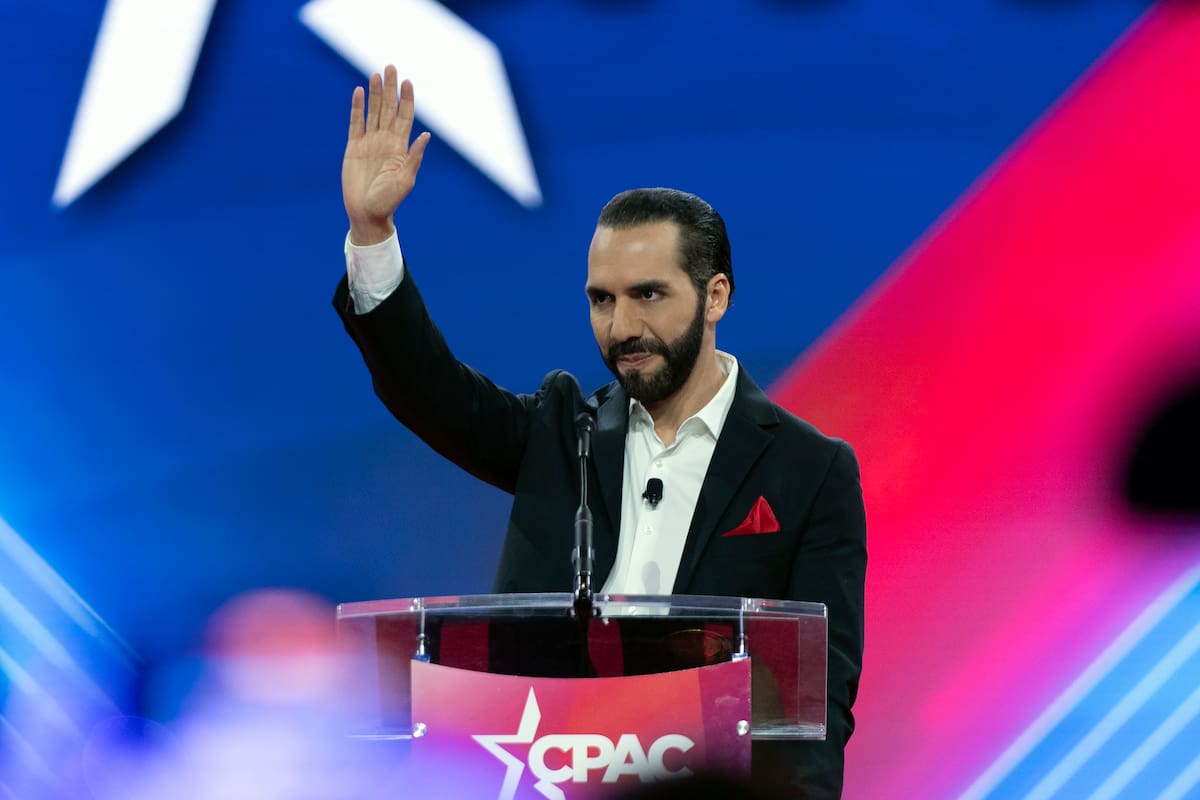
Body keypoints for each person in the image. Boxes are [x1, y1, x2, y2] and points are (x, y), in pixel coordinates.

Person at [333, 66, 866, 798]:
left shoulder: (810, 472)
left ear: (715, 297)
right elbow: (429, 391)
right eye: (602, 300)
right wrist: (373, 233)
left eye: (648, 295)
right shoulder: (563, 431)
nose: (622, 328)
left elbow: (816, 702)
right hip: (541, 776)